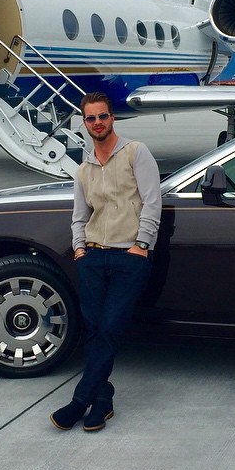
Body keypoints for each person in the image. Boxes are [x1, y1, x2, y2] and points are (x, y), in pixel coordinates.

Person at [50, 91, 161, 432]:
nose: (97, 123)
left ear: (112, 118)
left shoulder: (135, 152)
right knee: (95, 329)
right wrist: (79, 250)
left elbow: (152, 202)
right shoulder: (83, 170)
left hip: (130, 256)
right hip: (93, 257)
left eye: (102, 116)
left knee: (110, 327)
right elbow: (79, 216)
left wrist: (142, 245)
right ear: (84, 123)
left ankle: (79, 401)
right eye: (91, 118)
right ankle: (102, 400)